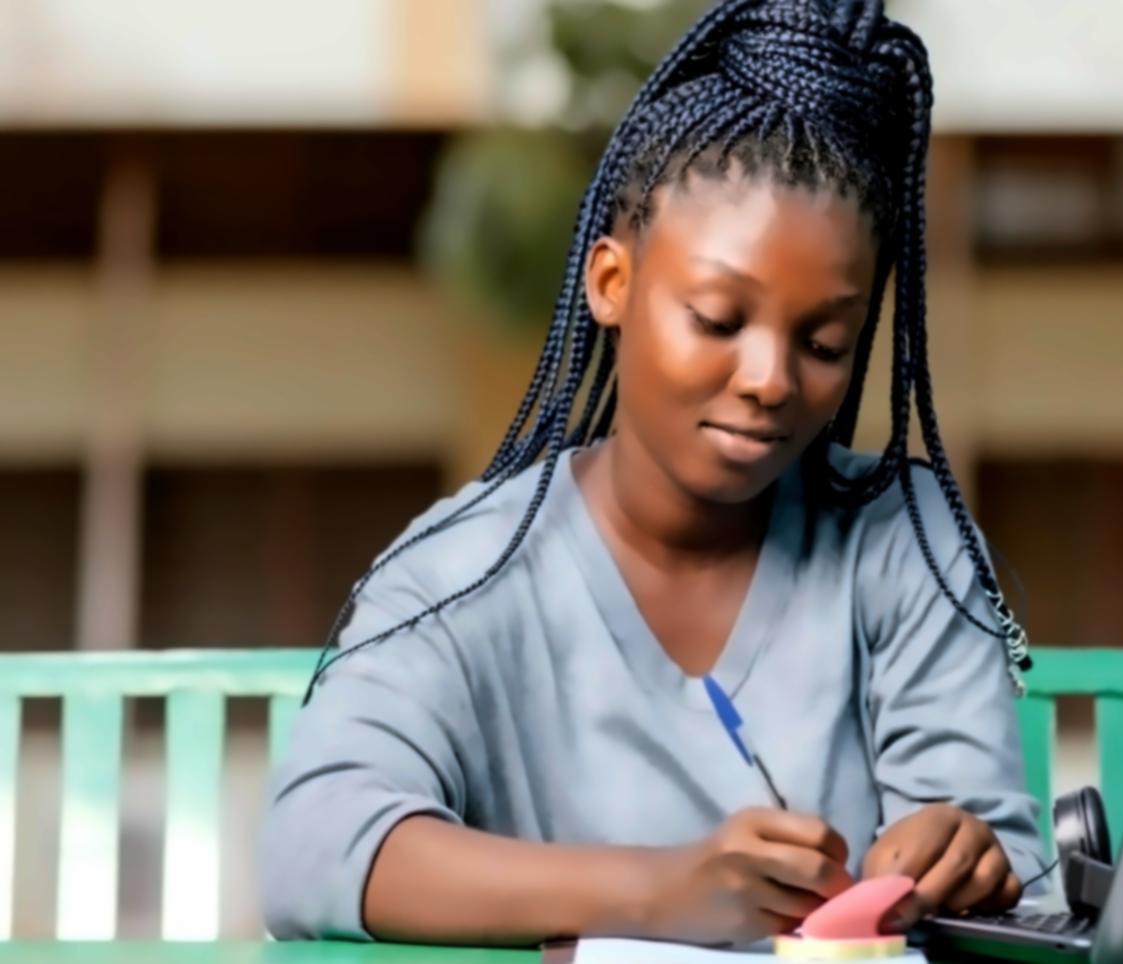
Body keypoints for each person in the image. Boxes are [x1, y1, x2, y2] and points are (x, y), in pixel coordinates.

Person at [260, 0, 1041, 947]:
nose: (769, 380)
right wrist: (652, 890)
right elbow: (311, 847)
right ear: (611, 283)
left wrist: (964, 858)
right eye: (718, 320)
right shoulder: (465, 566)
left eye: (824, 341)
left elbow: (1006, 872)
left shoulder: (906, 540)